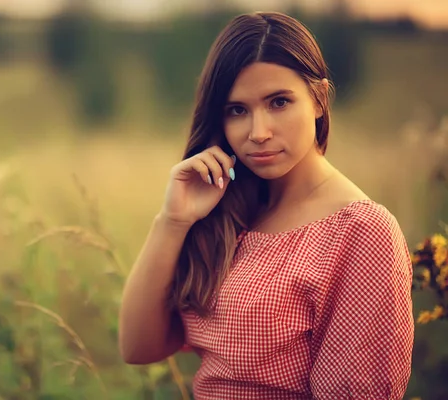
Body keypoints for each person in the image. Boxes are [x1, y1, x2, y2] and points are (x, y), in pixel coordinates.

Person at [118, 11, 414, 400]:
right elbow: (139, 348)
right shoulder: (229, 212)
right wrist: (172, 221)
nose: (258, 133)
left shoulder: (361, 231)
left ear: (319, 100)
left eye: (278, 102)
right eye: (237, 110)